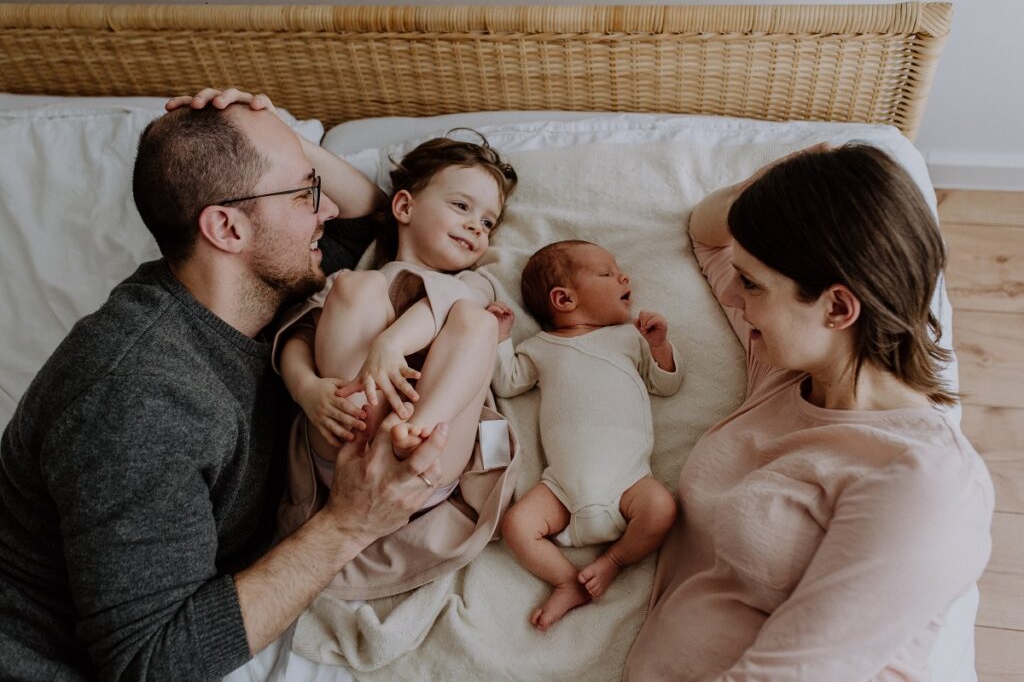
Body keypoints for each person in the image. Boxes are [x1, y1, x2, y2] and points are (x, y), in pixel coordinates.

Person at [0, 88, 449, 680]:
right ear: (227, 229)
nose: (326, 210)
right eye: (305, 193)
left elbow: (376, 214)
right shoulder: (137, 398)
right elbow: (151, 663)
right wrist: (349, 523)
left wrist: (275, 135)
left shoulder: (263, 286)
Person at [623, 143, 994, 680]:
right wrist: (785, 183)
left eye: (751, 284)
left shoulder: (924, 482)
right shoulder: (789, 373)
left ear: (838, 307)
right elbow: (708, 233)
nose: (731, 296)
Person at [275, 133, 518, 510]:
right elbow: (297, 339)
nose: (476, 227)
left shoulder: (474, 283)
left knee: (477, 320)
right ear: (404, 207)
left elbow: (441, 307)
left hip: (430, 458)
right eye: (461, 206)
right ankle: (369, 434)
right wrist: (307, 390)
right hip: (345, 437)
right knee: (358, 286)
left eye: (488, 222)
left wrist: (391, 345)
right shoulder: (353, 282)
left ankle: (410, 430)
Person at [489, 240, 683, 631]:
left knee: (661, 508)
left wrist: (660, 347)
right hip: (562, 489)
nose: (624, 277)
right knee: (516, 526)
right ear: (563, 299)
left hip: (629, 482)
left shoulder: (630, 337)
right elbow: (507, 383)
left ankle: (612, 561)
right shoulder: (540, 347)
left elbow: (666, 385)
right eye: (608, 273)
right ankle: (566, 581)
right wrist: (500, 338)